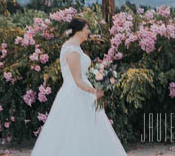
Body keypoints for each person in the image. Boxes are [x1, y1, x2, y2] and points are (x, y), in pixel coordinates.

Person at [31, 17, 126, 155]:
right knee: (75, 128)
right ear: (79, 31)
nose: (88, 32)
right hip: (75, 93)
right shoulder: (72, 51)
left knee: (88, 128)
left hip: (81, 91)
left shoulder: (75, 47)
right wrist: (94, 91)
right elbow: (77, 79)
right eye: (87, 29)